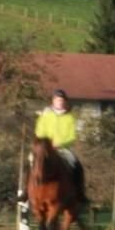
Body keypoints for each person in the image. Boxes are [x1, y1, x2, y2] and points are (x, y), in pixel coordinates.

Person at [32, 88, 87, 219]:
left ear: (65, 102)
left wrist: (60, 143)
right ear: (53, 101)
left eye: (62, 100)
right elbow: (39, 131)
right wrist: (45, 143)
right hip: (45, 147)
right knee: (30, 160)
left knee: (76, 163)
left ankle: (79, 193)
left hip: (62, 148)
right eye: (58, 100)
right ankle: (26, 192)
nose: (60, 102)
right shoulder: (46, 115)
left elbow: (72, 135)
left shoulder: (69, 117)